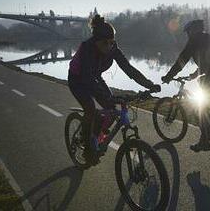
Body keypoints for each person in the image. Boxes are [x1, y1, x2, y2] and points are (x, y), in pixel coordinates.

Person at [68, 14, 160, 162]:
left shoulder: (112, 48)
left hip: (94, 77)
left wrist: (149, 84)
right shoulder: (87, 48)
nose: (110, 46)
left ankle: (97, 136)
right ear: (96, 41)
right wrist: (106, 96)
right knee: (91, 110)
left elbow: (128, 68)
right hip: (78, 79)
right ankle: (86, 146)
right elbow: (87, 79)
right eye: (106, 43)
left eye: (112, 42)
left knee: (111, 109)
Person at [161, 19, 210, 152]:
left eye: (188, 32)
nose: (188, 35)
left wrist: (168, 76)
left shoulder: (195, 41)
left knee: (201, 110)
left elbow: (182, 60)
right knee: (205, 98)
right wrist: (193, 75)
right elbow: (209, 62)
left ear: (192, 31)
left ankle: (205, 142)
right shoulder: (207, 39)